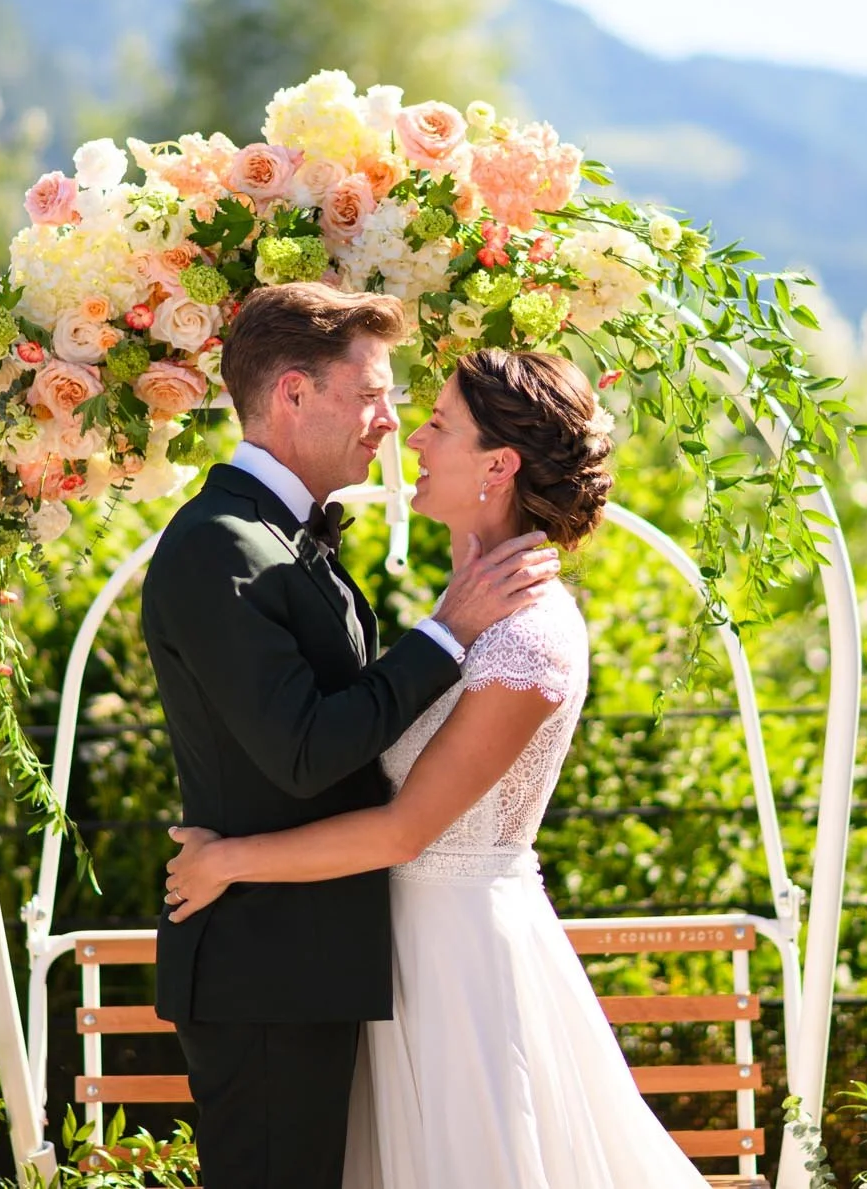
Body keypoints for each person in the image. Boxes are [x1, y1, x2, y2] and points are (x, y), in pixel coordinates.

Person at [164, 349, 711, 1188]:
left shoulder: (530, 634)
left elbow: (405, 827)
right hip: (395, 954)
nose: (412, 434)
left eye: (440, 423)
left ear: (498, 465)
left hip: (462, 969)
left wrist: (228, 861)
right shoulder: (471, 605)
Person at [140, 282, 560, 1189]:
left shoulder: (289, 539)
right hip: (265, 973)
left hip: (320, 963)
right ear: (295, 393)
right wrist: (446, 633)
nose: (390, 421)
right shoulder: (220, 545)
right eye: (373, 393)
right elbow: (305, 750)